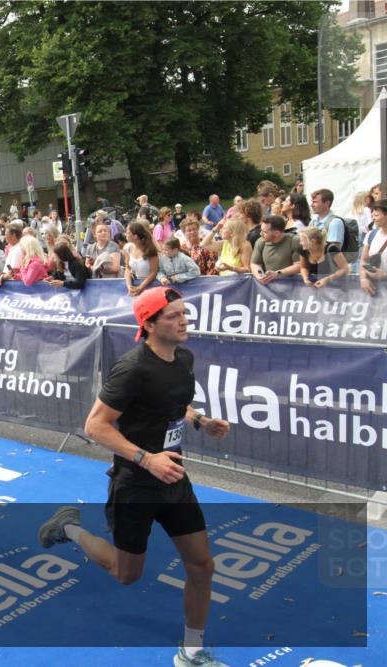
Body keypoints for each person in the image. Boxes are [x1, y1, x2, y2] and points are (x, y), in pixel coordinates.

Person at [39, 286, 232, 667]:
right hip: (136, 484)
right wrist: (147, 460)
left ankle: (191, 653)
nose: (183, 321)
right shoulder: (132, 368)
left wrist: (200, 421)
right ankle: (69, 529)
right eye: (173, 316)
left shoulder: (183, 358)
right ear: (149, 323)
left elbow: (174, 403)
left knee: (201, 564)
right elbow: (95, 425)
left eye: (183, 313)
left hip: (173, 477)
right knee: (126, 574)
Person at [250, 215, 302, 284]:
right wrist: (261, 276)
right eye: (261, 231)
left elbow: (299, 265)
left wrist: (277, 273)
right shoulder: (260, 242)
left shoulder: (294, 241)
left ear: (276, 233)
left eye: (264, 232)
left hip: (291, 286)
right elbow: (255, 263)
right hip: (268, 287)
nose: (260, 234)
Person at [360, 198, 387, 296]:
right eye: (372, 214)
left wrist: (384, 275)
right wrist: (363, 278)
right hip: (376, 290)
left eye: (376, 215)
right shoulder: (371, 235)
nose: (372, 217)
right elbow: (364, 260)